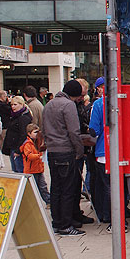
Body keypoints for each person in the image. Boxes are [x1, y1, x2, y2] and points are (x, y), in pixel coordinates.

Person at [43, 80, 86, 236]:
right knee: (68, 189)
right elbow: (74, 131)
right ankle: (66, 225)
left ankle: (56, 221)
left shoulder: (49, 104)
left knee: (56, 188)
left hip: (52, 151)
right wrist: (79, 150)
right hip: (66, 150)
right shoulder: (69, 105)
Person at [88, 77, 111, 229]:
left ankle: (109, 217)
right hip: (124, 152)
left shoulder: (98, 104)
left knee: (107, 186)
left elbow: (94, 130)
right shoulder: (127, 100)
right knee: (120, 187)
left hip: (104, 151)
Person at [20, 123, 50, 204]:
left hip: (39, 169)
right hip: (31, 171)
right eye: (35, 132)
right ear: (29, 133)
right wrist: (39, 156)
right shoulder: (27, 144)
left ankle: (48, 201)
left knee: (43, 186)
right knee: (33, 188)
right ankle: (32, 203)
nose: (37, 134)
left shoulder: (38, 142)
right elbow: (29, 156)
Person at [2, 96, 33, 173]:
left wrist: (18, 150)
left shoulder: (23, 118)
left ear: (21, 104)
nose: (13, 107)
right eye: (12, 104)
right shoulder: (15, 116)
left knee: (19, 171)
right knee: (16, 170)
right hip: (14, 147)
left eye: (15, 104)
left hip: (18, 149)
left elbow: (23, 134)